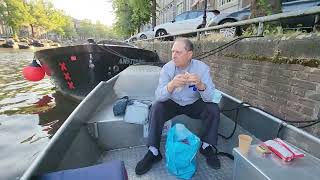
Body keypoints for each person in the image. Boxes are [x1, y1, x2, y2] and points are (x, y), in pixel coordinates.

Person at [135, 37, 220, 175]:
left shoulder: (202, 68)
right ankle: (153, 151)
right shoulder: (167, 68)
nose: (174, 55)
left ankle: (206, 146)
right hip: (173, 103)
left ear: (189, 54)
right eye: (172, 51)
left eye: (178, 52)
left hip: (193, 103)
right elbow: (159, 96)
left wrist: (200, 85)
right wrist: (171, 85)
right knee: (156, 107)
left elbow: (210, 98)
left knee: (213, 109)